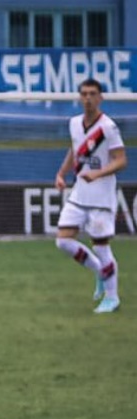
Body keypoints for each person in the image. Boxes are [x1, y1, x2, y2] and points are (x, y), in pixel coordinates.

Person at [54, 77, 127, 314]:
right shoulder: (74, 123)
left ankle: (112, 297)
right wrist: (61, 173)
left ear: (100, 97)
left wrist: (99, 173)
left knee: (100, 246)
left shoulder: (108, 127)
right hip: (79, 194)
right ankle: (98, 271)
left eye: (92, 94)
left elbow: (121, 160)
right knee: (63, 240)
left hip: (101, 198)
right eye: (84, 94)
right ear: (79, 97)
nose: (88, 98)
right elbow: (75, 149)